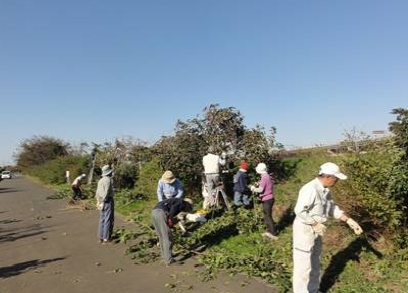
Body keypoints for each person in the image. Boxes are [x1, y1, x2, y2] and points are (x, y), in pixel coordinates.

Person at [292, 162, 363, 293]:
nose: (337, 182)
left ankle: (313, 290)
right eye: (336, 179)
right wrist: (314, 223)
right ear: (328, 176)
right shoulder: (310, 189)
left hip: (317, 230)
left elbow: (331, 208)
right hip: (304, 230)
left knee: (314, 263)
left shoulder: (325, 190)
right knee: (303, 267)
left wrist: (349, 220)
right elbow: (300, 210)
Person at [151, 197, 193, 266]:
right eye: (189, 208)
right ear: (188, 204)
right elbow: (171, 212)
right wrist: (170, 220)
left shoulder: (174, 203)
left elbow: (169, 217)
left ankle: (164, 256)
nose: (187, 210)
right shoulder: (181, 201)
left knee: (161, 236)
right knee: (167, 238)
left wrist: (173, 223)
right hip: (161, 212)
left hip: (154, 212)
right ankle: (169, 260)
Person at [250, 163, 278, 240]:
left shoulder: (264, 177)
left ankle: (273, 233)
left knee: (268, 216)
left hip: (267, 199)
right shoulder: (266, 176)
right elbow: (264, 185)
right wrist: (258, 184)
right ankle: (269, 231)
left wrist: (253, 188)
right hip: (268, 199)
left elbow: (260, 190)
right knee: (266, 216)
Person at [95, 165, 115, 244]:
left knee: (102, 219)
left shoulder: (100, 180)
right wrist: (103, 200)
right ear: (109, 172)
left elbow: (97, 192)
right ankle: (106, 237)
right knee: (108, 219)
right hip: (107, 200)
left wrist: (98, 201)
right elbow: (106, 192)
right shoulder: (109, 180)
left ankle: (100, 237)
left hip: (100, 200)